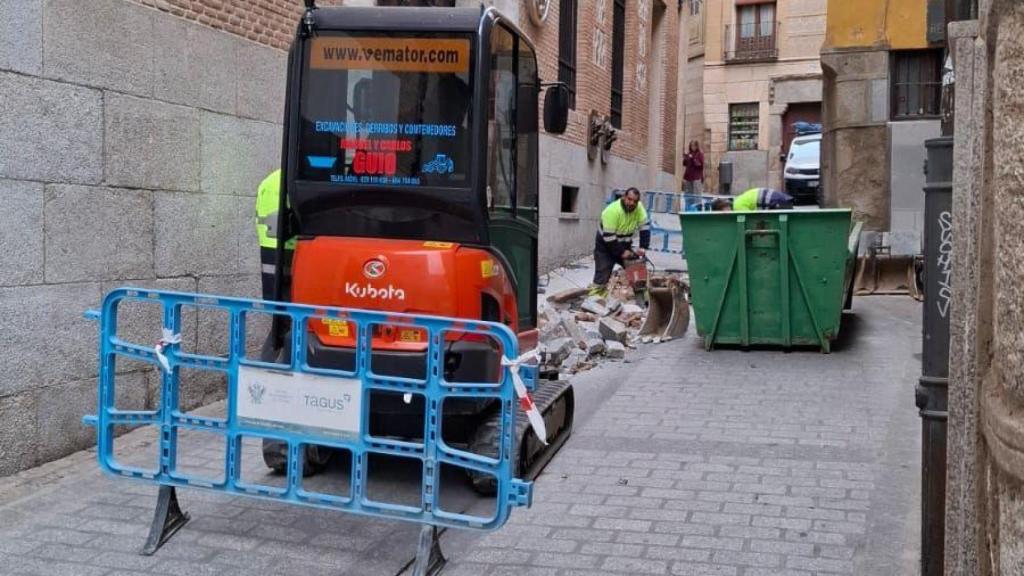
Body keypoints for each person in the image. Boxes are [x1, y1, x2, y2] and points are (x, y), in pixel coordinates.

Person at [589, 188, 651, 297]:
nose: (632, 203)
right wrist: (622, 253)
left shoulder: (639, 208)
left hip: (624, 244)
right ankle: (594, 300)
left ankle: (642, 297)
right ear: (624, 197)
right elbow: (609, 238)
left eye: (635, 201)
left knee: (636, 267)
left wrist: (643, 247)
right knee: (602, 274)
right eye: (629, 199)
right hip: (605, 247)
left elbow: (645, 227)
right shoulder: (612, 211)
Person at [255, 169, 295, 300]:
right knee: (292, 297)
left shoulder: (269, 180)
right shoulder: (294, 178)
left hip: (268, 245)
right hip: (291, 246)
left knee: (272, 296)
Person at [728, 187, 795, 211]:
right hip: (770, 195)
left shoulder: (736, 206)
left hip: (767, 199)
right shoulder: (737, 200)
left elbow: (749, 217)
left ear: (724, 207)